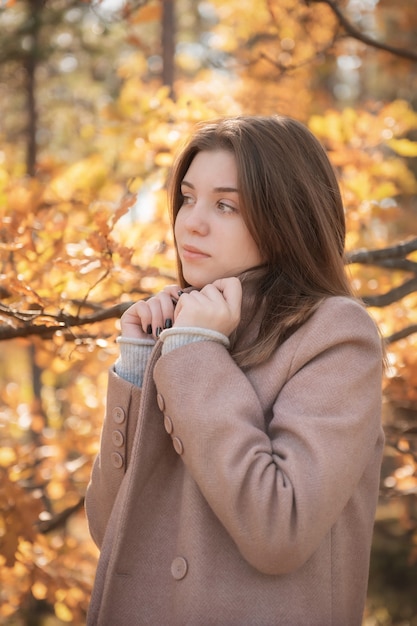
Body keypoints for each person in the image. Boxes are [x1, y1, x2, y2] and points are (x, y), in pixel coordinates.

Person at [85, 115, 384, 625]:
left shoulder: (336, 333)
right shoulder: (182, 329)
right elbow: (108, 527)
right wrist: (137, 366)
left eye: (226, 205)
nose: (191, 223)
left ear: (286, 219)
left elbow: (279, 530)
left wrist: (195, 351)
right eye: (187, 197)